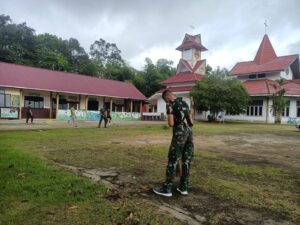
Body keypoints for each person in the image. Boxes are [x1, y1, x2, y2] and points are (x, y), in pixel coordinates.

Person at [153, 90, 194, 197]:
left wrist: (174, 120)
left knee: (173, 159)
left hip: (179, 134)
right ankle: (183, 187)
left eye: (165, 100)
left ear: (167, 97)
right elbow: (191, 122)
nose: (166, 102)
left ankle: (167, 189)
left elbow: (171, 123)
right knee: (186, 160)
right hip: (189, 133)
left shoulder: (171, 105)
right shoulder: (184, 103)